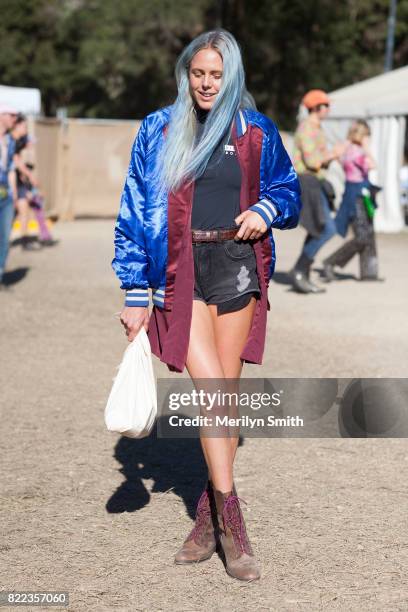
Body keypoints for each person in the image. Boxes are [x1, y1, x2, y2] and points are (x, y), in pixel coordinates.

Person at [112, 30, 301, 582]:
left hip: (237, 265)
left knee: (224, 397)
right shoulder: (159, 128)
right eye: (198, 73)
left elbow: (288, 190)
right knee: (211, 392)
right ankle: (233, 526)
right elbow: (135, 208)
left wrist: (266, 209)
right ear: (185, 74)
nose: (206, 83)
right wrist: (134, 290)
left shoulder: (255, 129)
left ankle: (205, 521)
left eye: (216, 74)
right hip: (180, 272)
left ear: (232, 76)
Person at [290, 89, 342, 294]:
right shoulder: (307, 129)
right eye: (326, 105)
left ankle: (303, 273)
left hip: (316, 182)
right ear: (316, 107)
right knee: (327, 229)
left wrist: (330, 157)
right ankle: (299, 270)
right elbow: (312, 162)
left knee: (317, 228)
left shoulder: (317, 128)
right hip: (308, 182)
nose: (328, 109)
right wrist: (333, 154)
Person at [322, 120, 382, 281]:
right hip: (358, 196)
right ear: (363, 136)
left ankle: (369, 272)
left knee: (367, 234)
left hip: (355, 194)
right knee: (363, 236)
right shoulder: (358, 153)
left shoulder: (346, 149)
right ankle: (330, 262)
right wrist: (367, 148)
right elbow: (374, 165)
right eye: (367, 135)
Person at [11, 114, 57, 249]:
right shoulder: (12, 142)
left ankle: (29, 240)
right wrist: (29, 177)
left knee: (24, 210)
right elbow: (16, 163)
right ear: (17, 125)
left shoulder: (18, 143)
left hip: (19, 184)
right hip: (13, 183)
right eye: (24, 126)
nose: (25, 129)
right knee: (17, 212)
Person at [0, 104, 18, 290]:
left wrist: (12, 194)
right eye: (12, 115)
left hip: (5, 194)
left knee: (5, 238)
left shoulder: (10, 140)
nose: (15, 119)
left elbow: (11, 168)